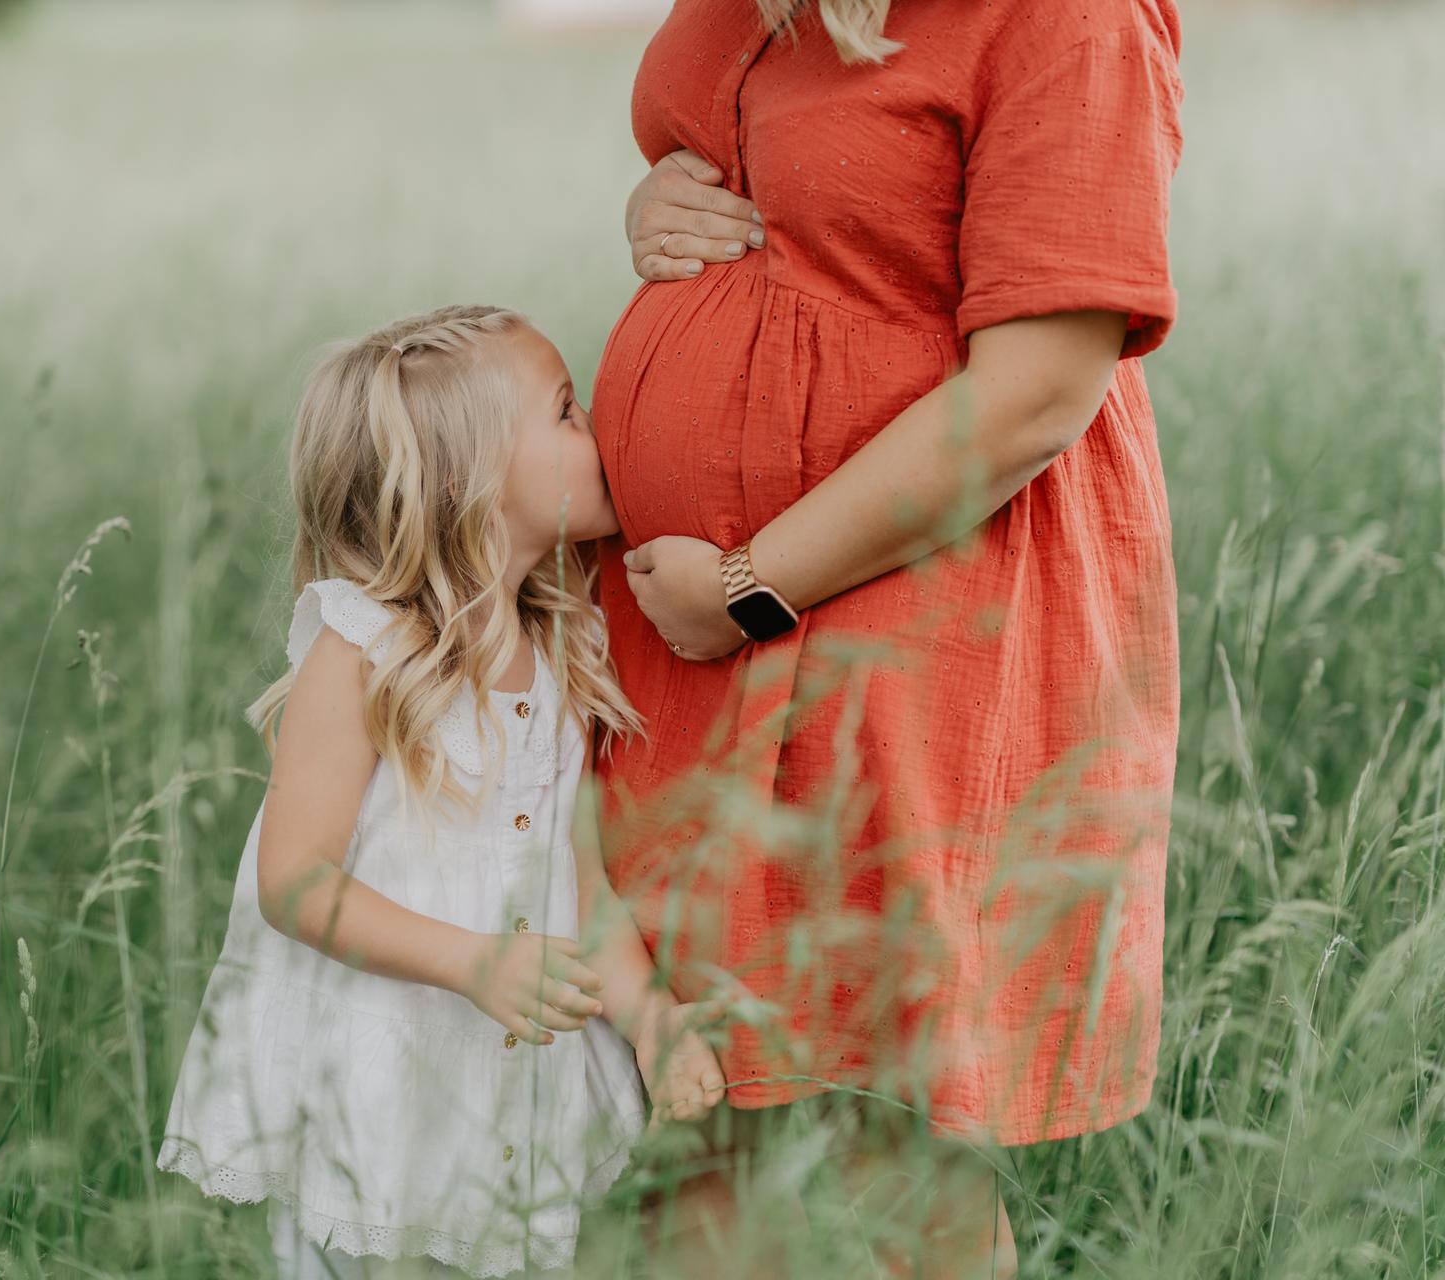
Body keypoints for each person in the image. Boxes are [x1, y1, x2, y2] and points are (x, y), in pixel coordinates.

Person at [588, 0, 1186, 1275]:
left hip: (898, 609)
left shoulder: (1064, 19)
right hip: (686, 637)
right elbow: (781, 169)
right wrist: (663, 207)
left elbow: (1039, 388)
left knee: (886, 1122)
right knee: (694, 1098)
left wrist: (748, 585)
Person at [155, 304, 728, 1279]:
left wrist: (651, 1019)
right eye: (564, 411)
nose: (598, 429)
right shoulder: (365, 651)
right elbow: (293, 879)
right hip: (385, 1080)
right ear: (467, 480)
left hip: (510, 1083)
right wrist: (475, 962)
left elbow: (581, 880)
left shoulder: (561, 642)